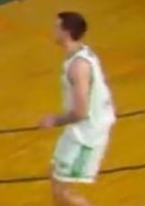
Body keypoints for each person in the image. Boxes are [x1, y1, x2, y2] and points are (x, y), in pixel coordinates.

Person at [39, 12, 116, 206]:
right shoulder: (81, 53)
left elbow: (81, 111)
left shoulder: (78, 66)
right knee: (56, 179)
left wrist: (54, 120)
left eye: (56, 27)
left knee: (63, 192)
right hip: (79, 130)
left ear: (66, 32)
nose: (53, 30)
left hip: (87, 134)